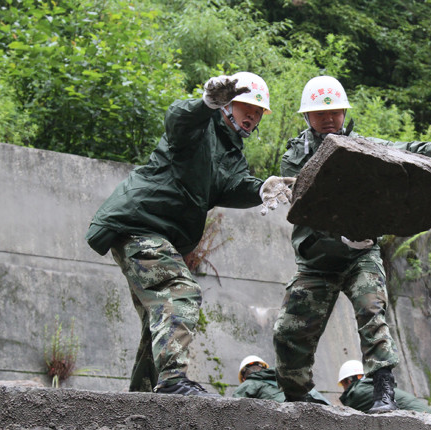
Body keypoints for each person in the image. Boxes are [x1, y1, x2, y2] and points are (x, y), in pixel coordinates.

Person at [85, 72, 295, 397]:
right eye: (245, 107)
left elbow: (233, 185)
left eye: (258, 111)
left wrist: (262, 188)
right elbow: (178, 120)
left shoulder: (232, 152)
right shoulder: (201, 127)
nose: (251, 115)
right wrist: (205, 104)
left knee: (158, 315)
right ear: (228, 104)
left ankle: (142, 399)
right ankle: (172, 382)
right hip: (140, 222)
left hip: (157, 233)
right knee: (179, 290)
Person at [273, 75, 431, 413]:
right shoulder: (295, 157)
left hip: (360, 253)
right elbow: (309, 205)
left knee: (373, 313)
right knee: (290, 330)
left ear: (345, 113)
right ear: (307, 117)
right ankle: (298, 396)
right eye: (321, 114)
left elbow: (398, 150)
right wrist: (338, 231)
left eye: (336, 113)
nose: (330, 119)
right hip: (317, 259)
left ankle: (383, 390)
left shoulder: (360, 146)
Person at [337, 360, 431, 413]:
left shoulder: (357, 393)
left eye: (342, 384)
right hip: (426, 416)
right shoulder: (377, 386)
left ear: (348, 380)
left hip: (421, 421)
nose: (343, 388)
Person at [232, 355, 331, 405]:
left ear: (244, 378)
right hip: (318, 402)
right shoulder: (282, 376)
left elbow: (233, 405)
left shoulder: (250, 383)